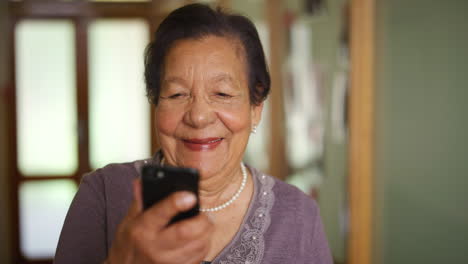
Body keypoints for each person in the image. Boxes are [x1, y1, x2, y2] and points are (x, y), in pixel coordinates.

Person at [54, 3, 333, 264]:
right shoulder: (103, 194)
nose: (198, 116)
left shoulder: (300, 215)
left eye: (222, 93)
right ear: (155, 102)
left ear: (255, 108)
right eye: (177, 94)